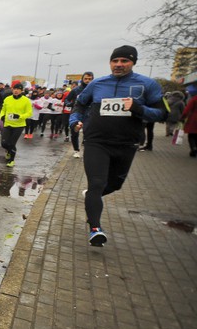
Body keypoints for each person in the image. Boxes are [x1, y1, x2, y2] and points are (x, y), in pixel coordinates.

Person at [70, 45, 167, 246]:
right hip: (96, 141)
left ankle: (91, 200)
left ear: (133, 62)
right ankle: (95, 229)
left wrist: (139, 108)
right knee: (96, 183)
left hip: (126, 143)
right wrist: (75, 121)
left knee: (114, 184)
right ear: (110, 63)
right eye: (115, 61)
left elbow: (162, 114)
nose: (119, 65)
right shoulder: (97, 84)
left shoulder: (147, 85)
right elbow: (80, 104)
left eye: (124, 61)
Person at [0, 81, 32, 168]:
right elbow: (3, 109)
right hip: (8, 124)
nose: (16, 91)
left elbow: (29, 113)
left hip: (19, 125)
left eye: (18, 89)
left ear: (21, 90)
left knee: (12, 143)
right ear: (12, 89)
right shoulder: (7, 99)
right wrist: (2, 116)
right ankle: (9, 151)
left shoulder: (26, 101)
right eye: (14, 89)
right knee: (4, 143)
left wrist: (20, 116)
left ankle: (11, 160)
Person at [64, 72, 93, 157]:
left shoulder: (95, 89)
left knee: (88, 132)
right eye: (86, 79)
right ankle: (76, 150)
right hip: (77, 111)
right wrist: (70, 104)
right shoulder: (75, 90)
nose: (87, 81)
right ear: (82, 79)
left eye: (90, 79)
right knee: (74, 132)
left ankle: (87, 150)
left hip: (90, 112)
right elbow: (66, 100)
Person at [180, 93, 197, 157]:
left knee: (191, 135)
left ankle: (193, 148)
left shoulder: (194, 99)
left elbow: (187, 110)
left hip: (194, 119)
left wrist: (182, 118)